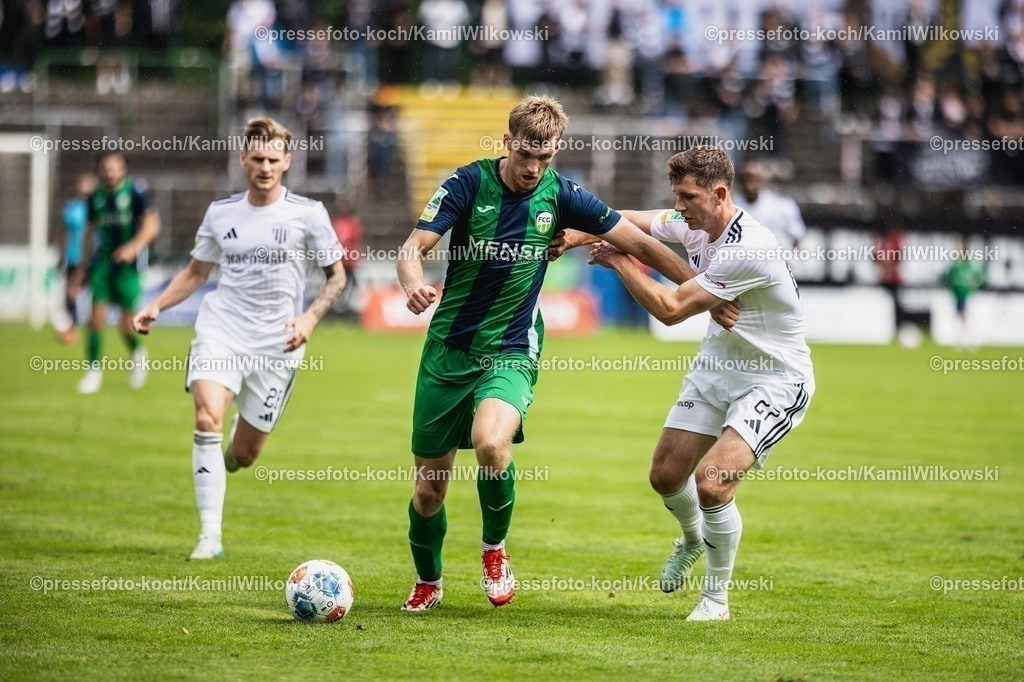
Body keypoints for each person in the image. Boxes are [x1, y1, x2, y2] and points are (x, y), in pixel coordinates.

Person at [396, 95, 704, 612]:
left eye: (545, 158)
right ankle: (429, 579)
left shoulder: (562, 195)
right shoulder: (468, 183)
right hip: (448, 351)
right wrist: (412, 285)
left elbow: (644, 245)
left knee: (492, 443)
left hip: (512, 348)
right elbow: (412, 248)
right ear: (507, 142)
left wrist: (704, 290)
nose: (533, 170)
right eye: (525, 158)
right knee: (428, 493)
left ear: (556, 149)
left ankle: (494, 550)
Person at [587, 146, 814, 621]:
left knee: (711, 483)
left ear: (719, 194)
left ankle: (715, 600)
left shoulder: (748, 246)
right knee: (665, 476)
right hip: (716, 368)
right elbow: (625, 218)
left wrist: (620, 261)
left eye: (688, 196)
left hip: (773, 378)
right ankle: (692, 539)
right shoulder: (691, 222)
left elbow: (670, 311)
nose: (680, 205)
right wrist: (574, 232)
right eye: (677, 196)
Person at [132, 117, 347, 560]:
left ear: (287, 161)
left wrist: (309, 318)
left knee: (245, 455)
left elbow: (337, 278)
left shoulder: (308, 214)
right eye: (257, 159)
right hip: (222, 330)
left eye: (273, 159)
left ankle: (233, 451)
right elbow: (196, 272)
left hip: (279, 344)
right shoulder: (221, 213)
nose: (265, 167)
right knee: (207, 416)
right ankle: (209, 535)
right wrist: (158, 305)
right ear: (243, 159)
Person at [73, 152, 160, 395]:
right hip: (102, 264)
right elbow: (89, 231)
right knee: (95, 318)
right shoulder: (95, 196)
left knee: (125, 324)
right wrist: (82, 266)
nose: (111, 172)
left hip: (128, 268)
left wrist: (133, 247)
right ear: (100, 169)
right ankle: (93, 372)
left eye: (116, 167)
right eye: (107, 168)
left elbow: (153, 225)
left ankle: (137, 354)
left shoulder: (136, 192)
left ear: (124, 169)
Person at [56, 172, 97, 345]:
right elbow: (62, 232)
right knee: (71, 292)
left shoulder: (99, 207)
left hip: (93, 258)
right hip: (73, 256)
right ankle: (72, 327)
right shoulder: (72, 207)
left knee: (86, 293)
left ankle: (86, 327)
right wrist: (61, 254)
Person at [732, 161, 806, 250]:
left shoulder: (782, 205)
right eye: (745, 178)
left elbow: (796, 236)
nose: (749, 184)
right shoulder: (733, 208)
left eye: (753, 179)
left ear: (762, 180)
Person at [943, 242, 986, 350]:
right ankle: (960, 340)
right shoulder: (954, 268)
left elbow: (980, 280)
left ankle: (971, 340)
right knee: (959, 318)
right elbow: (946, 279)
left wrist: (973, 289)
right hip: (957, 296)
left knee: (968, 318)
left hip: (968, 296)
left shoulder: (970, 268)